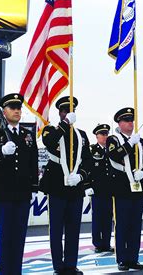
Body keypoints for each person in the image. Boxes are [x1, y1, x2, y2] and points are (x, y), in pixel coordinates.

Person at [0, 93, 38, 275]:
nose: (16, 111)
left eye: (18, 108)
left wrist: (34, 188)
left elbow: (33, 163)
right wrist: (0, 151)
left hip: (22, 194)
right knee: (4, 238)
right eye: (12, 108)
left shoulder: (27, 135)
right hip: (1, 194)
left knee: (19, 238)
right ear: (3, 112)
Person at [39, 96, 91, 275]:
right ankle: (58, 266)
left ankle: (71, 263)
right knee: (56, 229)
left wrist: (81, 176)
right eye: (64, 111)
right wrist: (66, 122)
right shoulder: (50, 130)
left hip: (75, 187)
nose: (68, 113)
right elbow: (50, 141)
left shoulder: (81, 135)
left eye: (71, 111)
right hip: (56, 186)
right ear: (59, 113)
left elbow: (88, 161)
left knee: (73, 228)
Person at [106, 107, 143, 271]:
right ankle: (122, 259)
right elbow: (114, 156)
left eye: (132, 120)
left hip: (138, 187)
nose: (130, 123)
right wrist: (129, 144)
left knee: (135, 225)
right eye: (126, 121)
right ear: (119, 123)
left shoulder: (141, 142)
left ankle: (133, 257)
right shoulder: (113, 139)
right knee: (122, 224)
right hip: (121, 188)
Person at [84, 124, 114, 253]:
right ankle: (97, 243)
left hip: (109, 189)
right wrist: (87, 186)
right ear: (97, 136)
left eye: (106, 134)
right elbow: (86, 168)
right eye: (102, 134)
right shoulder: (91, 150)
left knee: (108, 217)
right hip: (96, 189)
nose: (105, 136)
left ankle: (106, 243)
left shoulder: (112, 149)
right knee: (97, 217)